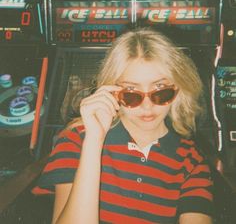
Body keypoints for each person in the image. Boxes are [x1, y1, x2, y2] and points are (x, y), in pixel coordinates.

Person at [33, 29, 214, 224]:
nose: (147, 106)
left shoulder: (191, 160)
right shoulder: (76, 140)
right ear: (111, 91)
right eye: (131, 94)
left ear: (179, 89)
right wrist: (94, 142)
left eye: (161, 92)